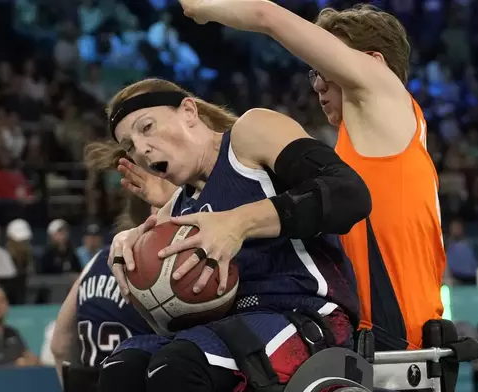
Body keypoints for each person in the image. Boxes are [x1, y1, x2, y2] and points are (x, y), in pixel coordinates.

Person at [133, 0, 444, 351]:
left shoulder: (385, 96)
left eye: (323, 67)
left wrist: (206, 9)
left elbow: (267, 14)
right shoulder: (358, 148)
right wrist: (175, 204)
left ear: (373, 63)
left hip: (397, 339)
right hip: (366, 338)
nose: (317, 86)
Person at [90, 78, 371, 392]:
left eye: (146, 127)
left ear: (188, 111)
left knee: (178, 366)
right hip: (226, 329)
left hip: (307, 315)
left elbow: (349, 194)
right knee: (121, 368)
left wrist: (238, 223)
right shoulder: (174, 214)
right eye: (129, 145)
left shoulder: (249, 135)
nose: (141, 149)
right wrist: (137, 275)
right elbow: (169, 322)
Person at [50, 196, 154, 388]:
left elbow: (59, 345)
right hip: (134, 381)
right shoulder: (158, 263)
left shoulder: (97, 259)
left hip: (89, 380)